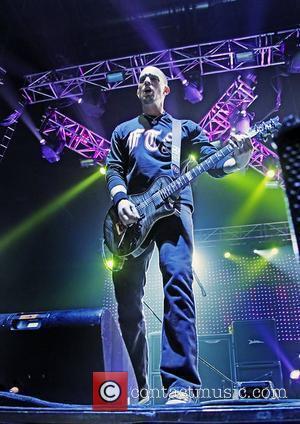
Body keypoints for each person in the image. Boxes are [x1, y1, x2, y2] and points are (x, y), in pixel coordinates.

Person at [105, 66, 253, 405]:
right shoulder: (122, 131)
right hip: (129, 219)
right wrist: (120, 198)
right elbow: (114, 168)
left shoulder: (183, 129)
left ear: (166, 89)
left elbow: (215, 163)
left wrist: (239, 160)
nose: (146, 83)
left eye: (153, 79)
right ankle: (136, 388)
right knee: (127, 307)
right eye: (141, 80)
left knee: (178, 289)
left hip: (174, 211)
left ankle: (180, 385)